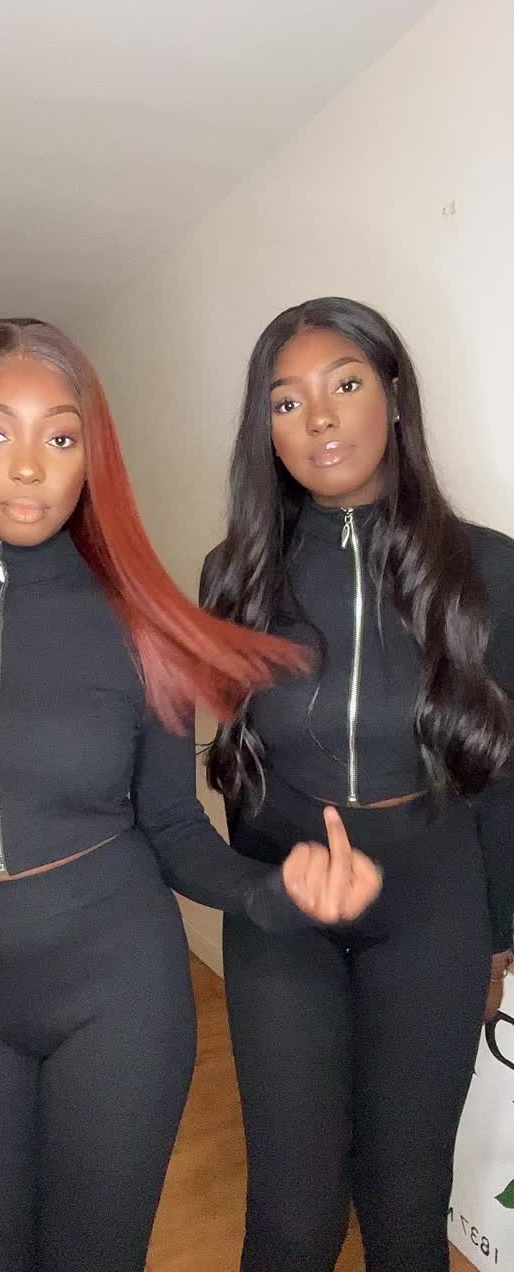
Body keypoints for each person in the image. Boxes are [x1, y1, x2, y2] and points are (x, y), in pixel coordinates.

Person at [0, 318, 381, 1272]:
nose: (28, 465)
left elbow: (175, 831)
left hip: (120, 998)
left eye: (60, 437)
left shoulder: (138, 620)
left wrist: (276, 894)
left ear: (90, 457)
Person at [200, 296, 514, 1272]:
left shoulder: (488, 566)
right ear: (266, 428)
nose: (320, 418)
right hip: (283, 901)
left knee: (407, 1205)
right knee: (293, 1217)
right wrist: (258, 885)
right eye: (286, 401)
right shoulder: (232, 575)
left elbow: (506, 773)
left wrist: (500, 932)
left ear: (394, 396)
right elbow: (238, 759)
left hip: (432, 900)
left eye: (344, 384)